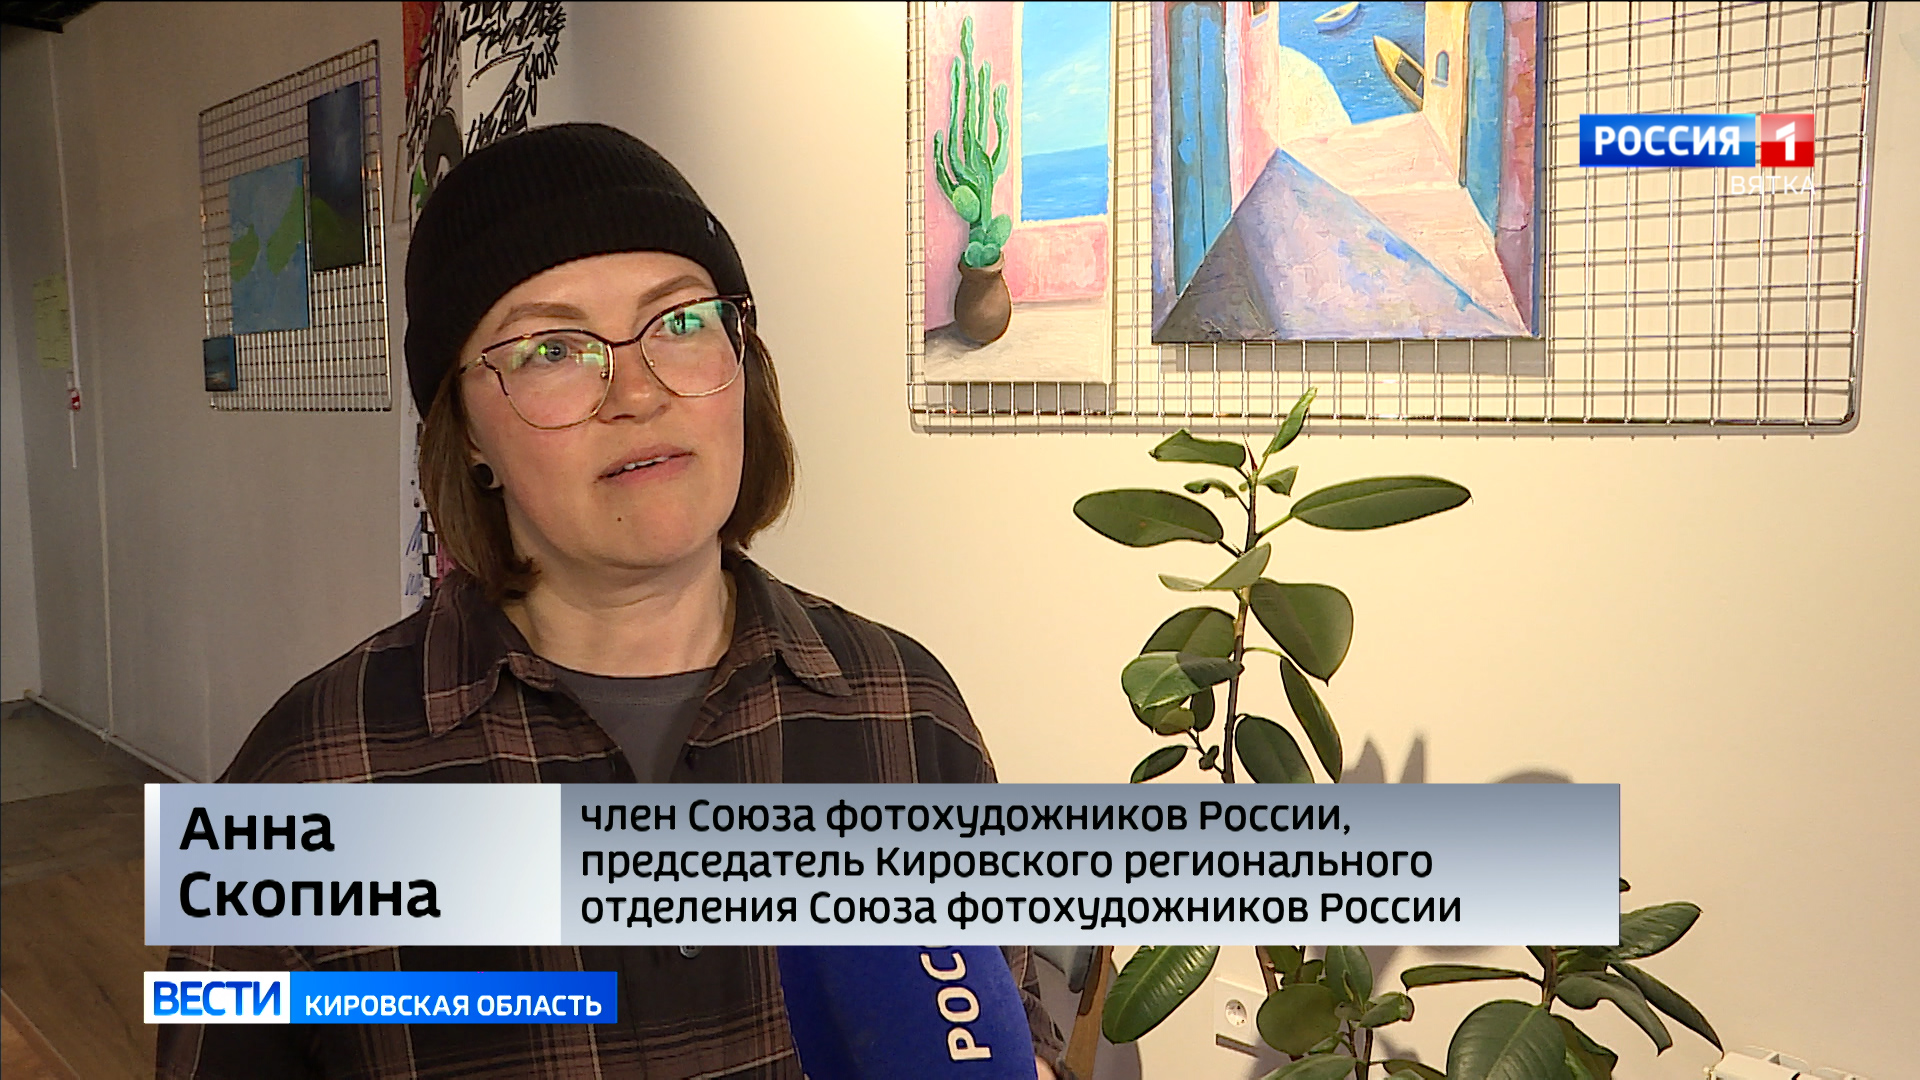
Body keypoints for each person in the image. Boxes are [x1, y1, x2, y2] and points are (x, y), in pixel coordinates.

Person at [159, 122, 1065, 1080]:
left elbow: (1002, 1037)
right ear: (465, 433)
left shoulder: (906, 712)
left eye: (681, 322)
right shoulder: (310, 776)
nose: (635, 392)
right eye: (551, 348)